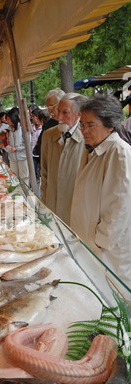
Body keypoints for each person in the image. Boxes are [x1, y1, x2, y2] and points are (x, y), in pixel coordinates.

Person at [70, 94, 131, 289]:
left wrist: (99, 240)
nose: (84, 131)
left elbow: (120, 206)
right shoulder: (95, 149)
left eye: (90, 125)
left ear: (109, 125)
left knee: (114, 294)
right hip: (90, 242)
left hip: (107, 248)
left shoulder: (119, 153)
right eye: (82, 125)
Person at [40, 93, 86, 225]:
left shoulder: (87, 139)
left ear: (78, 114)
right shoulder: (48, 136)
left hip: (75, 211)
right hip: (52, 207)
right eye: (58, 111)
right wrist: (44, 204)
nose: (59, 117)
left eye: (65, 112)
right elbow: (44, 173)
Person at [4, 108, 29, 185]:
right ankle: (18, 192)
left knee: (24, 177)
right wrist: (9, 149)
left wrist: (17, 148)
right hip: (12, 158)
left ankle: (26, 193)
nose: (7, 121)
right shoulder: (8, 130)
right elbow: (5, 142)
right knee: (14, 176)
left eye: (8, 119)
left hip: (22, 157)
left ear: (13, 118)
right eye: (7, 119)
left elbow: (27, 143)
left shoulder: (23, 128)